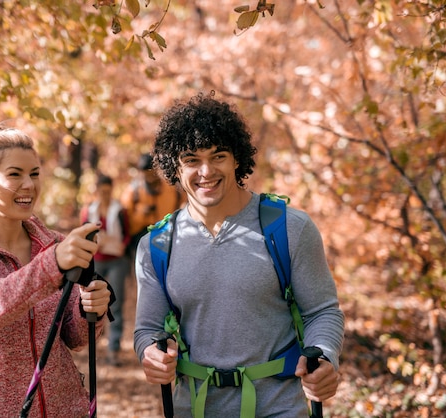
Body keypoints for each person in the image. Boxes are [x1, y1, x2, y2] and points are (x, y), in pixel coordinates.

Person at [133, 92, 345, 417]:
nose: (206, 171)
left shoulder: (289, 228)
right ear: (174, 167)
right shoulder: (157, 245)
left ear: (236, 159)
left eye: (218, 156)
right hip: (194, 407)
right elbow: (147, 328)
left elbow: (322, 311)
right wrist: (150, 353)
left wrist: (326, 355)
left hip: (279, 407)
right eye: (191, 159)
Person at [0, 123, 112, 418]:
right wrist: (53, 264)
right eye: (15, 174)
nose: (28, 185)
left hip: (66, 408)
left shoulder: (53, 244)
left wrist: (89, 308)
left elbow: (77, 339)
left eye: (34, 173)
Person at [80, 173, 131, 366]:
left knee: (116, 303)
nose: (105, 194)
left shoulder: (120, 210)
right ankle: (94, 345)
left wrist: (120, 245)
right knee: (93, 303)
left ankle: (113, 349)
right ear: (97, 191)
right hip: (97, 260)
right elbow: (83, 233)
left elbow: (127, 234)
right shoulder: (89, 211)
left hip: (117, 260)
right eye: (102, 191)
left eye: (108, 191)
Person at [120, 153, 185, 259]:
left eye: (151, 173)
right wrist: (142, 213)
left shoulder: (172, 189)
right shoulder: (133, 192)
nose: (149, 177)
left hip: (168, 235)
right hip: (141, 237)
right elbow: (127, 224)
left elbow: (184, 206)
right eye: (146, 174)